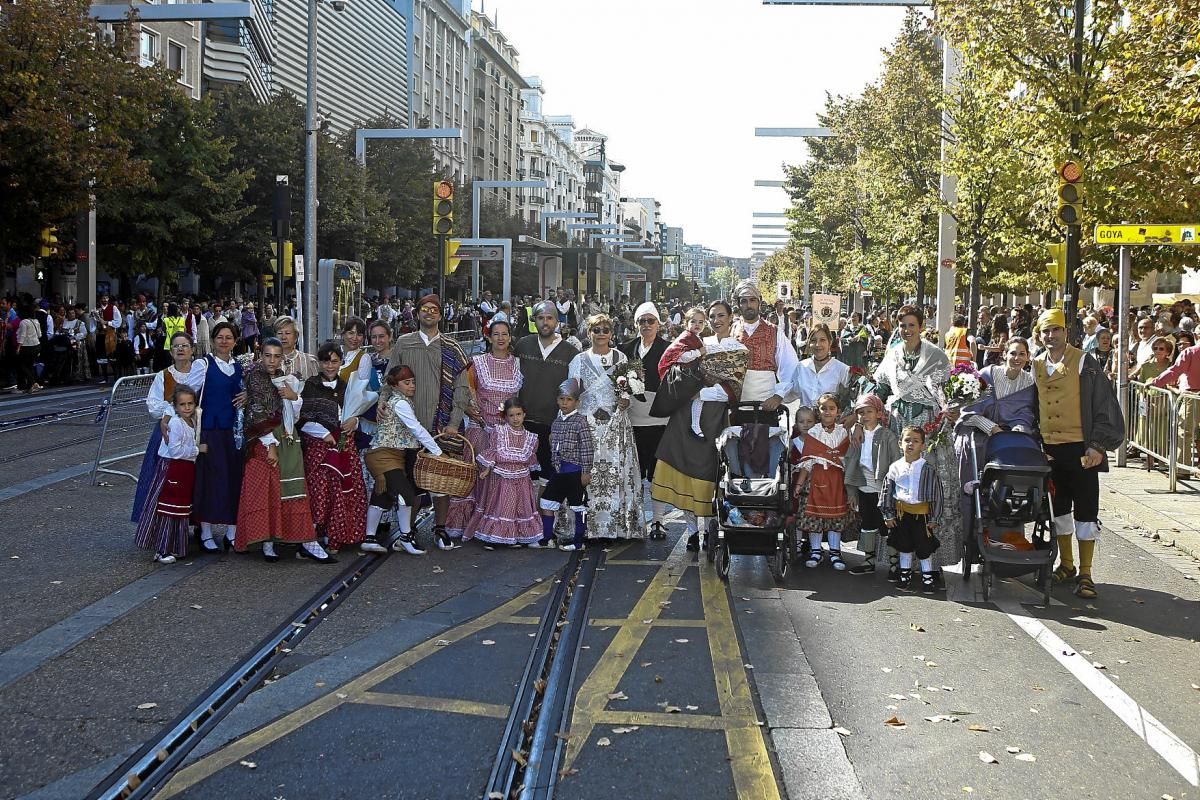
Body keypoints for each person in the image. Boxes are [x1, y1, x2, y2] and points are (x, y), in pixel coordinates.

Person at [1031, 308, 1124, 599]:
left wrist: (1098, 445)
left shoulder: (1085, 362)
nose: (1051, 336)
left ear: (1065, 332)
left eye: (1055, 330)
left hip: (1081, 449)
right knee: (1059, 510)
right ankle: (1066, 564)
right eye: (1046, 331)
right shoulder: (1035, 365)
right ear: (1040, 334)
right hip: (1050, 451)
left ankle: (1086, 572)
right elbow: (1030, 407)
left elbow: (1103, 404)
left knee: (1086, 511)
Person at [869, 304, 959, 587]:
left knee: (931, 489)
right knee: (899, 490)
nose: (906, 330)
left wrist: (953, 408)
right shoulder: (893, 355)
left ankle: (933, 562)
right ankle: (899, 560)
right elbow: (881, 387)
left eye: (911, 325)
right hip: (899, 426)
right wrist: (865, 405)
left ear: (921, 326)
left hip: (929, 429)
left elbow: (949, 392)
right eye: (902, 325)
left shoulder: (936, 356)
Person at [652, 301, 746, 551]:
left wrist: (699, 393)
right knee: (682, 469)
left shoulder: (738, 348)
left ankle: (711, 530)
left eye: (721, 316)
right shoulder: (700, 345)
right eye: (713, 316)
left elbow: (732, 391)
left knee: (708, 474)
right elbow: (674, 369)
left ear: (731, 317)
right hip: (685, 416)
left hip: (714, 419)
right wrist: (689, 389)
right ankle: (693, 531)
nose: (717, 320)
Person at [235, 338, 335, 563]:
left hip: (289, 438)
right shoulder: (256, 379)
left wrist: (295, 397)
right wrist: (269, 444)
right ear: (261, 356)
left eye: (276, 356)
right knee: (270, 490)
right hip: (266, 440)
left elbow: (296, 414)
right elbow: (257, 414)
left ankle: (302, 540)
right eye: (268, 355)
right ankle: (269, 541)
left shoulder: (285, 379)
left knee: (293, 488)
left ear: (282, 357)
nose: (272, 360)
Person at [388, 294, 472, 550]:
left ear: (440, 314)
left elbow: (461, 387)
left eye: (434, 309)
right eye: (424, 309)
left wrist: (454, 422)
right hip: (408, 426)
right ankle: (407, 531)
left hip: (441, 425)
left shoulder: (451, 346)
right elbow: (389, 381)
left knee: (441, 481)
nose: (429, 313)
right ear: (417, 313)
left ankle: (440, 528)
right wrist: (384, 404)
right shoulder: (404, 342)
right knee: (410, 481)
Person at [566, 312, 644, 541]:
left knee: (616, 475)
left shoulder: (621, 358)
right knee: (587, 475)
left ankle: (617, 527)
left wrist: (625, 400)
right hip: (587, 425)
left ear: (612, 333)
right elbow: (571, 393)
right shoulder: (578, 360)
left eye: (605, 330)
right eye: (596, 330)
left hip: (616, 425)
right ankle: (586, 528)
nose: (601, 334)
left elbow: (631, 391)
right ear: (589, 333)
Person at [445, 319, 523, 540]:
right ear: (488, 337)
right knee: (476, 478)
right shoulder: (477, 363)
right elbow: (463, 391)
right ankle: (470, 524)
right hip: (481, 430)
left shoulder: (517, 363)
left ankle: (496, 528)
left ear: (510, 337)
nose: (500, 338)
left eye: (504, 334)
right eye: (496, 334)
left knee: (502, 483)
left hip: (507, 435)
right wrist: (471, 411)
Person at [362, 365, 442, 555]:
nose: (412, 386)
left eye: (413, 382)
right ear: (395, 385)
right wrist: (437, 452)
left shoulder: (399, 400)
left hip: (390, 454)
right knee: (405, 493)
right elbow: (416, 429)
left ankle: (369, 538)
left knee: (382, 495)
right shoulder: (400, 403)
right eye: (406, 383)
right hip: (384, 454)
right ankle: (405, 537)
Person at [131, 332, 207, 525]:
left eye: (184, 345)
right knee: (166, 479)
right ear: (171, 352)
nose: (180, 349)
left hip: (196, 431)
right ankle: (162, 523)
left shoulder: (201, 372)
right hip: (170, 433)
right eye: (176, 346)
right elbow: (153, 406)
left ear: (192, 349)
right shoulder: (163, 376)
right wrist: (172, 410)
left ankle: (195, 522)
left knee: (196, 480)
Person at [299, 343, 368, 553]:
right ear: (319, 363)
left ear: (340, 363)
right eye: (326, 361)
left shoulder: (347, 385)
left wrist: (354, 421)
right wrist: (324, 433)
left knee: (344, 488)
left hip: (343, 444)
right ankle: (311, 536)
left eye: (334, 361)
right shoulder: (311, 385)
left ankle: (337, 535)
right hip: (318, 446)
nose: (330, 366)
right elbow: (305, 417)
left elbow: (355, 412)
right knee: (319, 489)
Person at [191, 322, 245, 552]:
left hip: (233, 432)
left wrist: (248, 394)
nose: (224, 341)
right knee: (209, 481)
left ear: (235, 341)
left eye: (229, 337)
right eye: (220, 337)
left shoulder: (241, 367)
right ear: (213, 340)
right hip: (210, 430)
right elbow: (187, 393)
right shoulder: (202, 365)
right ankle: (205, 531)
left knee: (234, 479)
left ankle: (232, 532)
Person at [134, 384, 202, 564]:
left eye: (190, 403)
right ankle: (161, 548)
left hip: (184, 470)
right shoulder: (176, 423)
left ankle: (176, 545)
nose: (187, 407)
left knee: (179, 509)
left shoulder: (191, 420)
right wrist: (197, 450)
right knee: (167, 508)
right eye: (182, 404)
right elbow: (175, 451)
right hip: (171, 468)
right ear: (175, 406)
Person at [516, 301, 581, 483]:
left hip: (553, 424)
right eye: (540, 318)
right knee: (523, 476)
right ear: (534, 320)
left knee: (549, 477)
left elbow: (574, 391)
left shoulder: (571, 352)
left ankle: (542, 512)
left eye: (550, 318)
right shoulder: (523, 345)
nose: (545, 322)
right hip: (523, 423)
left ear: (557, 321)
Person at [619, 302, 669, 538]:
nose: (646, 325)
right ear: (636, 324)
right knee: (634, 474)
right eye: (642, 321)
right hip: (631, 420)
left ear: (658, 323)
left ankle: (658, 521)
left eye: (651, 321)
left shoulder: (669, 349)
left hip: (660, 421)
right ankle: (636, 519)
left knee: (657, 474)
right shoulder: (625, 348)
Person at [464, 397, 542, 546]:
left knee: (522, 507)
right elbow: (493, 452)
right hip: (503, 479)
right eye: (511, 415)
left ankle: (524, 536)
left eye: (518, 414)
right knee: (503, 506)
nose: (515, 418)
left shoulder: (531, 438)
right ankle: (495, 537)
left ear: (524, 414)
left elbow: (530, 459)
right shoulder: (499, 432)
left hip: (522, 478)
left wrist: (531, 474)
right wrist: (487, 470)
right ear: (505, 416)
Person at [792, 393, 857, 570]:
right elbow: (807, 461)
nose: (827, 412)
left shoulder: (843, 432)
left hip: (836, 479)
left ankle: (835, 552)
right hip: (816, 478)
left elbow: (846, 458)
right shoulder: (813, 432)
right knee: (814, 517)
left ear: (838, 412)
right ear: (818, 412)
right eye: (823, 408)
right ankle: (815, 551)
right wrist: (799, 484)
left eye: (831, 408)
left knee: (836, 517)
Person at [880, 425, 946, 594]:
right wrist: (888, 514)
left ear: (922, 446)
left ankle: (927, 578)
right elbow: (887, 491)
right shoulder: (895, 467)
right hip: (901, 514)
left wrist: (934, 518)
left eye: (916, 441)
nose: (911, 444)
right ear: (900, 444)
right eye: (907, 440)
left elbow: (937, 495)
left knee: (924, 547)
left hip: (922, 516)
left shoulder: (928, 469)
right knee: (904, 546)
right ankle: (904, 577)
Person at [844, 395, 900, 576]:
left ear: (878, 413)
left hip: (883, 488)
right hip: (863, 486)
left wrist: (894, 489)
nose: (865, 416)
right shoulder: (856, 436)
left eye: (869, 412)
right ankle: (868, 560)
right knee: (867, 523)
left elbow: (895, 462)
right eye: (861, 413)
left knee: (887, 525)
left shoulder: (887, 435)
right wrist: (851, 491)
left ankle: (894, 564)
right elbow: (851, 462)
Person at [539, 378, 594, 551]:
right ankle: (547, 538)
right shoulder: (556, 423)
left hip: (574, 472)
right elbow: (553, 446)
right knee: (546, 502)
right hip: (558, 472)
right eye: (562, 399)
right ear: (557, 400)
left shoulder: (580, 422)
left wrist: (586, 472)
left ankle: (579, 542)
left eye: (569, 399)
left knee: (578, 506)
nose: (564, 403)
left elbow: (587, 448)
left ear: (577, 402)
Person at [732, 281, 799, 411]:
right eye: (744, 301)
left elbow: (790, 366)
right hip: (736, 403)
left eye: (752, 300)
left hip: (766, 403)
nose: (748, 305)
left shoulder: (774, 331)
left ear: (759, 302)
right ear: (739, 304)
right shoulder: (731, 330)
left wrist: (778, 396)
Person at [777, 323, 853, 414]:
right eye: (813, 340)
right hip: (805, 424)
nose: (818, 344)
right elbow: (791, 392)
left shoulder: (841, 369)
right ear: (809, 343)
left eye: (822, 340)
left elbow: (859, 395)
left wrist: (852, 416)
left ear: (829, 342)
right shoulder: (801, 367)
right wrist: (776, 396)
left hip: (829, 425)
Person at [658, 306, 710, 438]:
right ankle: (694, 424)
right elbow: (680, 356)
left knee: (701, 394)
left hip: (689, 374)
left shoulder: (696, 338)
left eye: (700, 322)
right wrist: (699, 352)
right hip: (681, 376)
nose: (697, 325)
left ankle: (694, 424)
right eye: (693, 321)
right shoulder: (685, 337)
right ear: (686, 323)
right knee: (699, 394)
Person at [275, 315, 318, 380]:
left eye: (288, 333)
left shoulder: (309, 362)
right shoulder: (266, 362)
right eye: (280, 333)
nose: (283, 337)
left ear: (296, 336)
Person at [14, 303, 43, 393]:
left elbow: (22, 336)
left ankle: (33, 383)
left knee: (22, 365)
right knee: (29, 366)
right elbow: (40, 334)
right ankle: (31, 385)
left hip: (27, 346)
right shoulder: (36, 321)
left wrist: (18, 348)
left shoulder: (23, 322)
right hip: (36, 345)